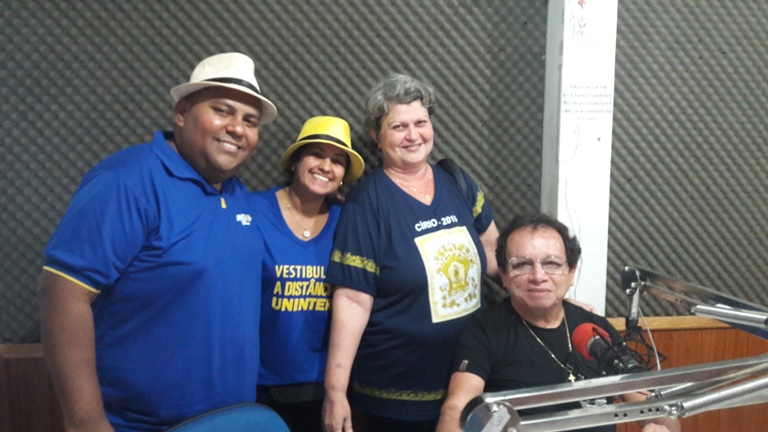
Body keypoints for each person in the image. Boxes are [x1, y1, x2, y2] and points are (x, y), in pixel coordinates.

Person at [38, 52, 278, 432]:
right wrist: (85, 420)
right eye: (222, 110)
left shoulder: (238, 195)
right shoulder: (128, 180)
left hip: (232, 419)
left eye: (250, 121)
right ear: (182, 112)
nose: (237, 128)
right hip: (140, 424)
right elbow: (63, 293)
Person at [322, 73, 500, 432]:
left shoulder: (456, 181)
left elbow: (495, 252)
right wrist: (335, 391)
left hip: (469, 379)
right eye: (398, 126)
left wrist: (554, 302)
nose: (413, 135)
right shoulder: (367, 203)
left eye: (421, 122)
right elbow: (353, 301)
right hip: (397, 392)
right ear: (376, 135)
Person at [436, 213, 681, 432]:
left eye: (551, 263)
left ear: (571, 272)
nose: (538, 276)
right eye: (522, 264)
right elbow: (457, 409)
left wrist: (660, 425)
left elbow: (653, 405)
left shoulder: (594, 328)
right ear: (503, 274)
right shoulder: (484, 332)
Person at [253, 116, 364, 432]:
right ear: (296, 161)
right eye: (316, 154)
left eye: (337, 161)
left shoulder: (349, 222)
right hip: (258, 385)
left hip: (325, 387)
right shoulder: (251, 211)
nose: (326, 166)